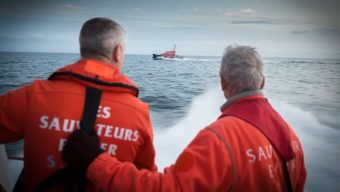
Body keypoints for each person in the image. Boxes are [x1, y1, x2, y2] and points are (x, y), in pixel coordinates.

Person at [62, 45, 307, 191]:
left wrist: (96, 162)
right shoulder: (291, 135)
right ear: (262, 81)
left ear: (222, 82)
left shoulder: (220, 138)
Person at [0, 17, 157, 191]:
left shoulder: (34, 94)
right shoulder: (139, 111)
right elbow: (145, 176)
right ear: (118, 52)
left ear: (82, 49)